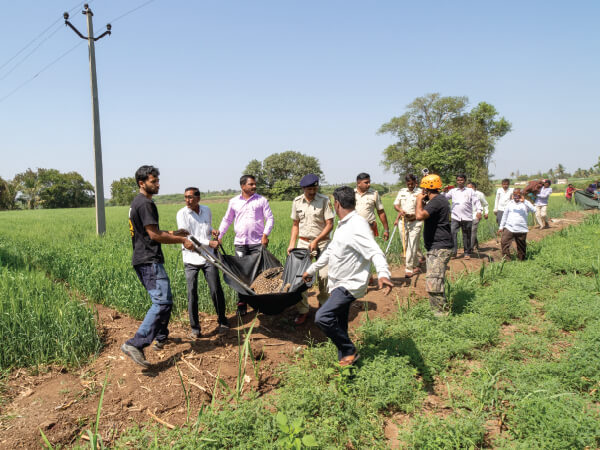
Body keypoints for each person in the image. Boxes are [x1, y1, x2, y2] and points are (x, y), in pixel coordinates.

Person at [302, 186, 393, 366]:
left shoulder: (357, 225)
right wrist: (311, 270)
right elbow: (329, 252)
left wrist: (383, 273)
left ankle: (350, 350)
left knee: (323, 317)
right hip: (338, 282)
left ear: (336, 204)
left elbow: (375, 251)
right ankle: (347, 364)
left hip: (349, 284)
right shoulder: (343, 225)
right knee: (340, 324)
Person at [121, 165, 195, 368]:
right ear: (142, 183)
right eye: (154, 181)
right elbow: (153, 236)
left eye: (157, 180)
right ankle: (135, 343)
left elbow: (149, 231)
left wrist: (174, 232)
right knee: (162, 303)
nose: (158, 184)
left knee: (165, 301)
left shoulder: (138, 202)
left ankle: (161, 335)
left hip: (143, 258)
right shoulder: (145, 203)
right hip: (149, 260)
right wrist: (182, 241)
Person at [176, 187, 229, 338]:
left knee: (215, 289)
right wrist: (209, 242)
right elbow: (188, 238)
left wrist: (213, 230)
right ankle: (195, 328)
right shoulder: (182, 214)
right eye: (186, 197)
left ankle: (223, 321)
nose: (188, 200)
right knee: (192, 292)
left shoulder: (206, 210)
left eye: (191, 197)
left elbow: (205, 227)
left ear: (198, 198)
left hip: (208, 257)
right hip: (191, 257)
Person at [218, 174, 274, 315]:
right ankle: (242, 303)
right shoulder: (234, 202)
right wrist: (219, 236)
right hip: (240, 244)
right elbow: (227, 220)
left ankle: (259, 302)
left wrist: (265, 235)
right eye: (251, 184)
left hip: (257, 243)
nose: (254, 186)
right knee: (240, 275)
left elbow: (270, 218)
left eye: (255, 184)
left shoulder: (261, 200)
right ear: (243, 186)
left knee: (258, 273)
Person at [287, 174, 334, 325]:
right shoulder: (297, 202)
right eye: (309, 189)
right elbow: (295, 224)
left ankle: (324, 305)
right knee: (300, 278)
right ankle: (303, 311)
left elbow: (330, 224)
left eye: (315, 188)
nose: (312, 191)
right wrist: (292, 244)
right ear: (303, 188)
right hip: (303, 242)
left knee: (324, 276)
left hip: (322, 243)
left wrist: (317, 240)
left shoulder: (324, 200)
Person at [415, 174, 454, 315]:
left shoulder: (437, 201)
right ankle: (440, 312)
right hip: (437, 247)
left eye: (422, 189)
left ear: (426, 190)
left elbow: (419, 216)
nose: (421, 192)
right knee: (435, 281)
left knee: (434, 283)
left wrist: (419, 200)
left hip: (439, 247)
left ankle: (441, 317)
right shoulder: (439, 200)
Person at [444, 173, 482, 259]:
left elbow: (477, 201)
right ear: (456, 181)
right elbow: (444, 198)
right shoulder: (453, 191)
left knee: (466, 235)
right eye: (458, 180)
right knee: (452, 233)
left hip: (467, 217)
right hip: (455, 217)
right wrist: (444, 191)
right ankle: (453, 253)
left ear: (464, 181)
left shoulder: (470, 191)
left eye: (461, 180)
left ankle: (466, 253)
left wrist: (479, 211)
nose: (459, 182)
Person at [393, 174, 424, 278]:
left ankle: (409, 268)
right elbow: (396, 205)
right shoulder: (402, 191)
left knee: (412, 244)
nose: (410, 186)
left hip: (416, 222)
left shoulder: (421, 192)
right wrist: (399, 211)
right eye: (408, 184)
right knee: (405, 245)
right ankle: (416, 263)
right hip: (403, 221)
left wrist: (415, 215)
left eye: (412, 184)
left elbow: (425, 206)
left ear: (416, 182)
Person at [498, 188, 535, 260]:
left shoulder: (525, 203)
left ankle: (521, 261)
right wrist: (501, 227)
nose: (516, 197)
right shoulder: (510, 203)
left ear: (521, 195)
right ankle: (507, 260)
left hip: (521, 228)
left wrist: (524, 202)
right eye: (514, 195)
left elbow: (534, 210)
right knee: (504, 242)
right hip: (509, 227)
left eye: (518, 195)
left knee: (521, 246)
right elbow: (505, 215)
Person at [354, 173, 390, 241]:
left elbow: (381, 212)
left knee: (368, 250)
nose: (369, 184)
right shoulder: (351, 194)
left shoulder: (374, 194)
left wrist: (386, 230)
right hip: (354, 228)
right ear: (358, 183)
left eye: (369, 182)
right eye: (366, 182)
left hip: (369, 227)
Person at [466, 181, 489, 251]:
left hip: (476, 214)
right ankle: (475, 244)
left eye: (469, 188)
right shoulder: (465, 194)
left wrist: (486, 212)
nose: (468, 189)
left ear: (474, 188)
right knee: (468, 231)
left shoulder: (479, 194)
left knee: (473, 230)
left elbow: (485, 204)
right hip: (467, 215)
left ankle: (470, 248)